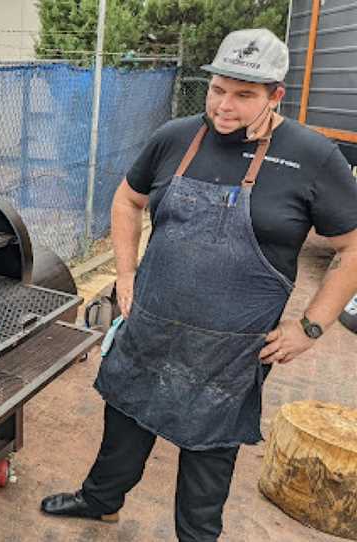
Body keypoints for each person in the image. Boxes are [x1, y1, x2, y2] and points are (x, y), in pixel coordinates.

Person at [40, 28, 357, 541]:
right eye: (218, 89)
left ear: (276, 95)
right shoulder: (176, 136)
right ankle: (100, 501)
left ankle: (197, 536)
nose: (224, 106)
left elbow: (352, 247)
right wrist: (125, 272)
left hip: (230, 346)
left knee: (209, 453)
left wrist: (312, 326)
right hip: (152, 321)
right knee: (124, 415)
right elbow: (127, 200)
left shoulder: (312, 156)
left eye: (244, 95)